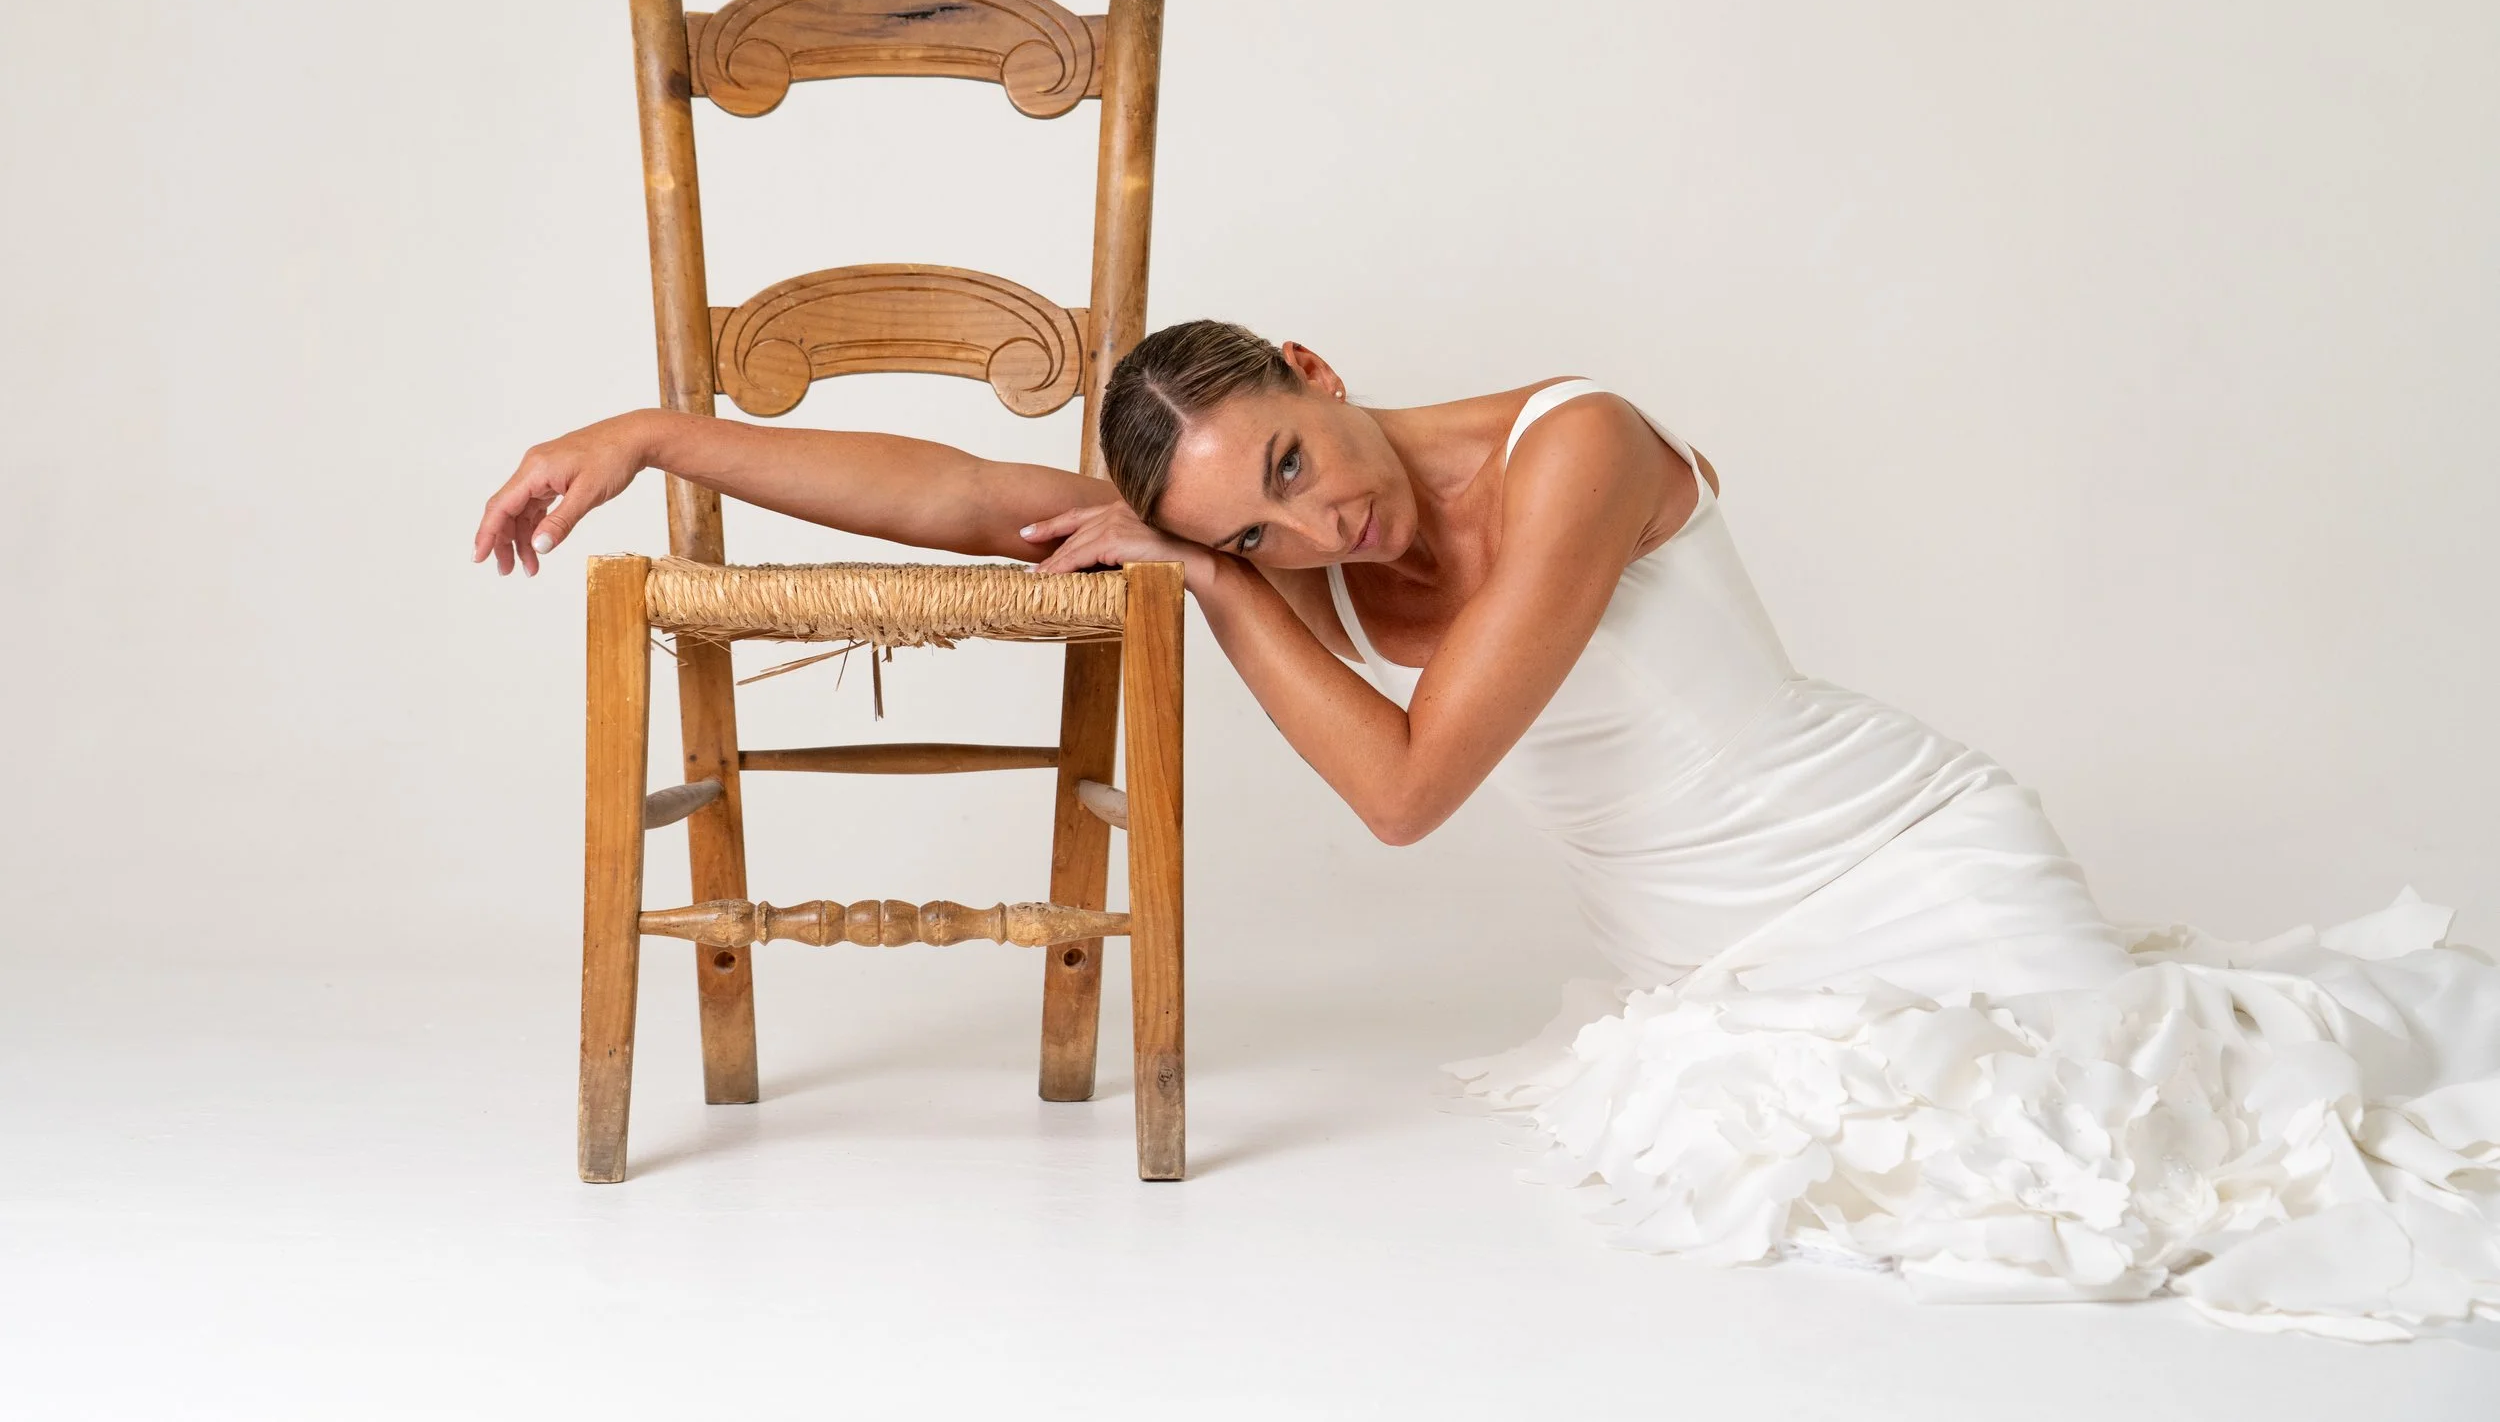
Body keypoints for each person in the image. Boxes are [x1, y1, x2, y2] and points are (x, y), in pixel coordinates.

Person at [475, 319, 2499, 1341]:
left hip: (1907, 857)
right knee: (1893, 1185)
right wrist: (646, 434)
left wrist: (1217, 595)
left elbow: (1406, 790)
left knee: (2144, 1158)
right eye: (1255, 528)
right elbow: (947, 493)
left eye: (1291, 460)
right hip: (1719, 962)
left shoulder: (1576, 447)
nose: (1313, 525)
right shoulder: (1264, 534)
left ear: (1316, 369)